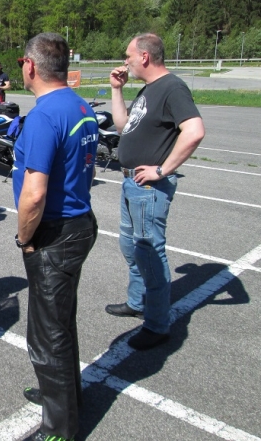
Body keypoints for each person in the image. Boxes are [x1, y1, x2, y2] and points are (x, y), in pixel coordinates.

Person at [13, 33, 98, 441]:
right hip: (79, 224)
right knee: (61, 323)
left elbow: (34, 195)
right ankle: (62, 396)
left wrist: (24, 239)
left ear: (31, 66)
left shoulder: (44, 116)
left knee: (47, 336)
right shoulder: (80, 106)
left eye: (21, 64)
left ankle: (60, 429)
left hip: (55, 233)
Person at [106, 33, 205, 350]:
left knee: (149, 253)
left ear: (144, 57)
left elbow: (194, 131)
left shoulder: (172, 88)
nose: (126, 61)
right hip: (131, 183)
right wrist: (117, 90)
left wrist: (162, 170)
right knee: (131, 247)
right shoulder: (148, 89)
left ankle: (157, 325)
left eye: (128, 56)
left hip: (150, 187)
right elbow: (123, 127)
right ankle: (137, 302)